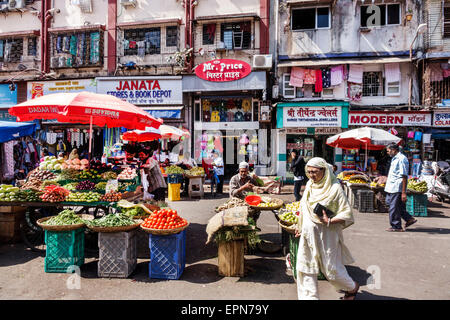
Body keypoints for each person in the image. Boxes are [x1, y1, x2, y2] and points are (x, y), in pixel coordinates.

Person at [294, 157, 359, 300]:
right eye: (309, 172)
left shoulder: (335, 188)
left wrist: (329, 220)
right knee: (305, 268)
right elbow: (304, 208)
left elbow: (347, 214)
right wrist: (300, 226)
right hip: (308, 234)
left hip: (327, 235)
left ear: (324, 171)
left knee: (331, 271)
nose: (311, 175)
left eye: (315, 172)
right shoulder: (310, 185)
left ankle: (352, 287)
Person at [384, 143, 417, 232]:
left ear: (394, 150)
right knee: (395, 205)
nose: (388, 152)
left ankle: (396, 226)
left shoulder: (401, 159)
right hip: (391, 186)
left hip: (396, 187)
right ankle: (409, 219)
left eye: (388, 151)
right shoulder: (394, 159)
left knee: (393, 207)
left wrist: (403, 192)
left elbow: (404, 176)